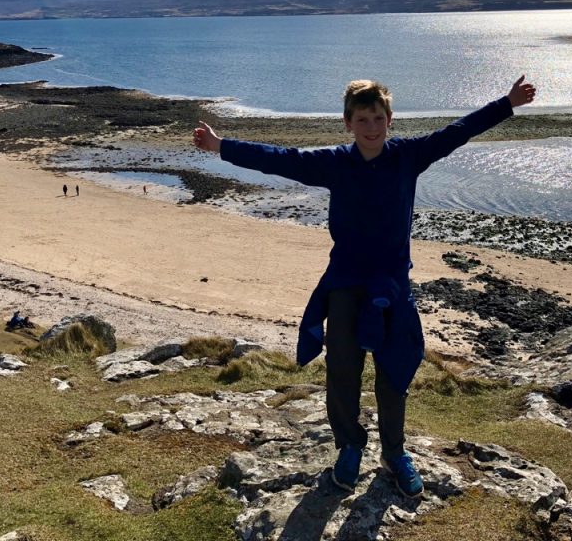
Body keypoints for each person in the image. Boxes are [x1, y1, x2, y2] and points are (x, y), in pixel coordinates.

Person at [193, 75, 537, 498]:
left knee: (393, 375)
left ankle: (394, 453)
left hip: (392, 287)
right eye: (362, 119)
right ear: (348, 123)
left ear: (389, 120)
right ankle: (350, 445)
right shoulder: (336, 162)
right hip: (345, 284)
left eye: (378, 118)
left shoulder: (409, 156)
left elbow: (458, 132)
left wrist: (507, 103)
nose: (371, 127)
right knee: (342, 374)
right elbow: (281, 158)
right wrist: (220, 145)